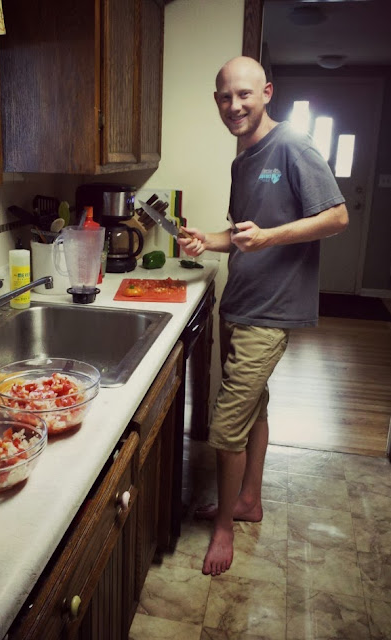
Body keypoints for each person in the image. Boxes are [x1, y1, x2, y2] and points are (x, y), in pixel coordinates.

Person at [177, 56, 349, 577]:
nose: (235, 105)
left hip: (272, 311)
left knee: (225, 427)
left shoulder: (293, 145)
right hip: (241, 301)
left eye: (245, 95)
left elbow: (337, 216)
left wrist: (271, 237)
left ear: (267, 92)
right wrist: (208, 239)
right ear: (217, 100)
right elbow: (244, 232)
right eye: (226, 97)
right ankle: (248, 499)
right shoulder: (241, 161)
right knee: (254, 408)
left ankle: (225, 526)